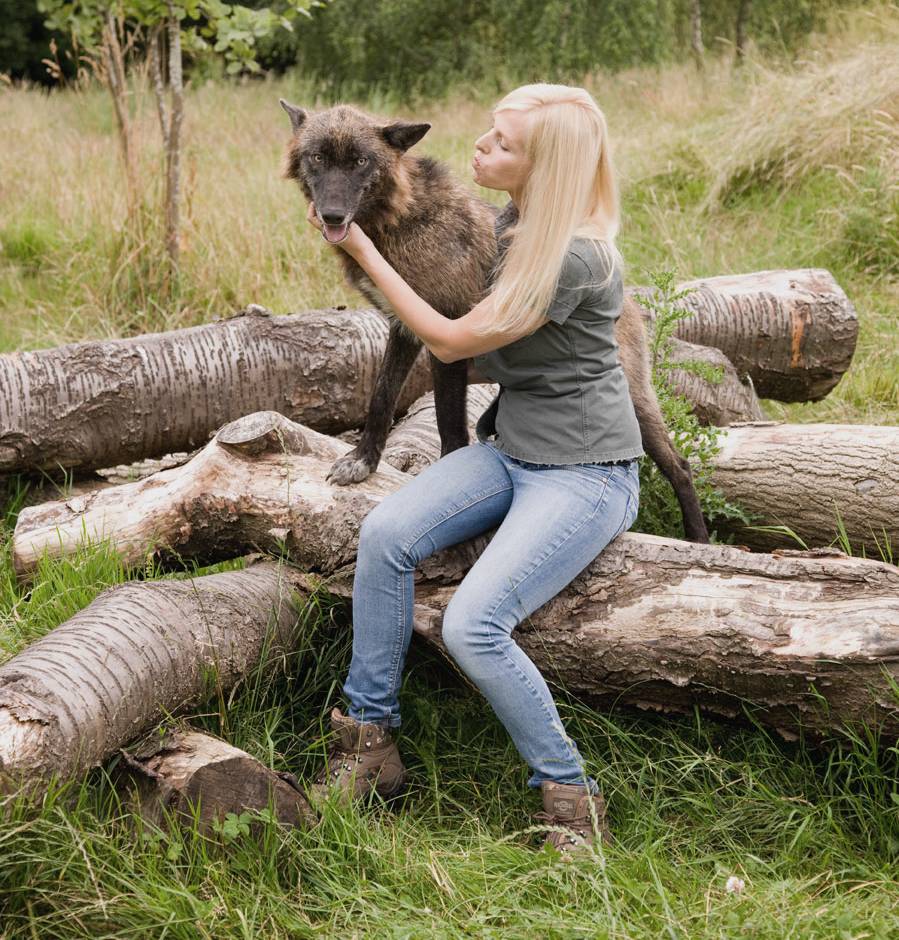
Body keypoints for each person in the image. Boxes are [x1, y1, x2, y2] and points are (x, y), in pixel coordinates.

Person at [306, 83, 644, 857]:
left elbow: (451, 343)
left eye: (500, 142)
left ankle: (569, 797)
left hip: (585, 475)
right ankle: (367, 745)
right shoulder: (515, 223)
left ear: (545, 167)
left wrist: (359, 247)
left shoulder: (578, 255)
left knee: (473, 626)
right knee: (385, 532)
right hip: (511, 452)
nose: (477, 149)